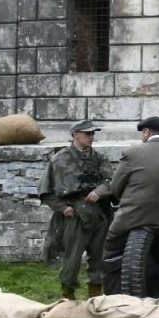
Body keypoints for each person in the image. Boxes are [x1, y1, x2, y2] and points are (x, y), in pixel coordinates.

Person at [98, 117, 159, 298]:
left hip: (132, 217)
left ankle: (113, 299)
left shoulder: (133, 153)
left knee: (112, 251)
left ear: (146, 132)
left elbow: (116, 188)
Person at [41, 120, 112, 300]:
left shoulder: (99, 158)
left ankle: (95, 297)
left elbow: (110, 181)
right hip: (74, 216)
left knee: (99, 257)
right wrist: (62, 207)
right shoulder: (59, 160)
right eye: (87, 134)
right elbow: (46, 191)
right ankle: (68, 297)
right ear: (75, 135)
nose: (91, 137)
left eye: (93, 134)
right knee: (72, 259)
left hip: (98, 214)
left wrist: (99, 191)